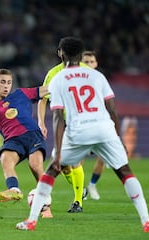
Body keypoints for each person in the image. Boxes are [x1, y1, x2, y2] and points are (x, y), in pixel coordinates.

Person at [16, 37, 149, 233]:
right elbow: (112, 109)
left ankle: (31, 221)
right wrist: (117, 138)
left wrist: (57, 154)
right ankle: (147, 222)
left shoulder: (58, 79)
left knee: (51, 171)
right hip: (104, 129)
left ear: (61, 54)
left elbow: (57, 117)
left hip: (78, 130)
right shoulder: (96, 76)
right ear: (82, 56)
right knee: (124, 171)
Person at [0, 68, 52, 218]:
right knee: (5, 159)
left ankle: (46, 207)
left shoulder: (20, 94)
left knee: (35, 166)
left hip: (32, 135)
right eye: (2, 82)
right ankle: (14, 190)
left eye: (9, 82)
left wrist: (64, 82)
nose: (6, 86)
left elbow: (45, 90)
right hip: (13, 140)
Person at [37, 40, 87, 213]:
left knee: (72, 162)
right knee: (65, 165)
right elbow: (42, 99)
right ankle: (80, 189)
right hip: (64, 124)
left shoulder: (86, 72)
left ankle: (78, 201)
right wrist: (41, 122)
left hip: (82, 123)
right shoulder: (53, 74)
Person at [82, 50, 105, 200]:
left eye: (92, 62)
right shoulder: (75, 80)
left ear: (96, 64)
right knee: (77, 160)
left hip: (98, 124)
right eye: (86, 62)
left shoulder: (100, 80)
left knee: (103, 157)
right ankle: (81, 188)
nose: (89, 65)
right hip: (81, 125)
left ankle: (92, 185)